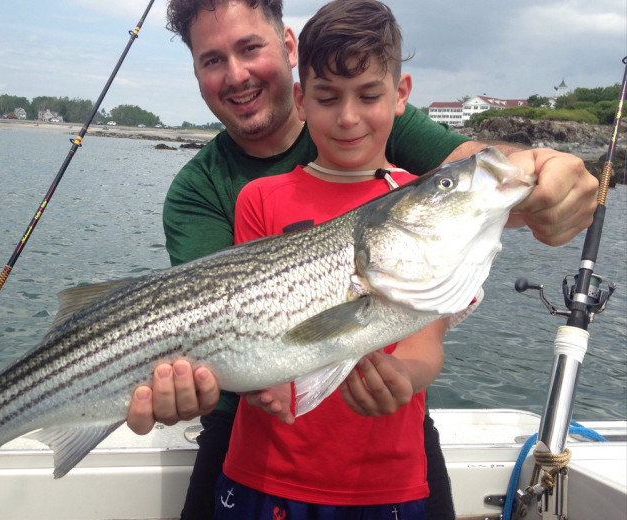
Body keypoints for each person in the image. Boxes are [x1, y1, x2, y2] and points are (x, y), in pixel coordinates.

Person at [126, 1, 599, 518]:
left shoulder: (376, 128)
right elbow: (220, 328)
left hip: (386, 453)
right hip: (256, 434)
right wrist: (253, 384)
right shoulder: (211, 192)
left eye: (249, 48)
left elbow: (471, 170)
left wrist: (542, 171)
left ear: (287, 48)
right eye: (212, 59)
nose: (236, 74)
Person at [214, 1, 445, 517]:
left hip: (386, 480)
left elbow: (428, 345)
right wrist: (260, 380)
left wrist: (403, 376)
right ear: (300, 100)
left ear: (401, 95)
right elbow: (240, 324)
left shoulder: (425, 206)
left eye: (369, 96)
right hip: (266, 470)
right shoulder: (260, 198)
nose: (347, 117)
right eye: (326, 97)